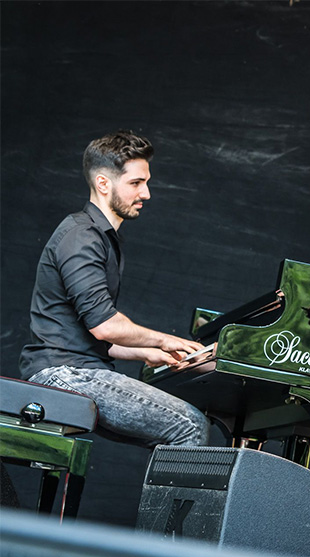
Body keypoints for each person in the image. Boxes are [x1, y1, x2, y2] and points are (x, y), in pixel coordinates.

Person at [19, 130, 210, 449]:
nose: (146, 193)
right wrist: (164, 339)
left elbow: (90, 338)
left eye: (146, 182)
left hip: (72, 368)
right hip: (63, 374)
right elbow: (105, 327)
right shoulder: (82, 237)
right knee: (189, 425)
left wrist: (146, 353)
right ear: (103, 184)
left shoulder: (98, 237)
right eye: (136, 183)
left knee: (176, 431)